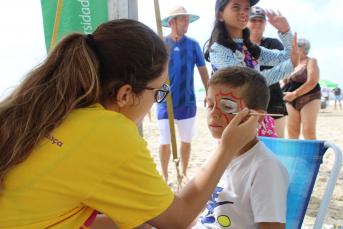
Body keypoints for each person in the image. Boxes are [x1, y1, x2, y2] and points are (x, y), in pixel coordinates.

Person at [0, 19, 259, 229]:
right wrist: (226, 149)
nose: (157, 101)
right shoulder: (107, 132)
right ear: (124, 94)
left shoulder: (48, 109)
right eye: (158, 92)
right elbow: (177, 219)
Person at [189, 66, 289, 229]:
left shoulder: (265, 168)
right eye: (209, 104)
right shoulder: (218, 157)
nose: (213, 113)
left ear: (255, 118)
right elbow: (198, 214)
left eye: (226, 106)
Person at [206, 0, 300, 138]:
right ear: (220, 15)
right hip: (235, 120)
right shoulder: (218, 50)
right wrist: (290, 65)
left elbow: (286, 56)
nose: (244, 12)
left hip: (257, 116)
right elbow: (249, 82)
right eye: (236, 7)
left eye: (247, 8)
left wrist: (285, 32)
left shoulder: (249, 49)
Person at [159, 6, 210, 184]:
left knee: (186, 139)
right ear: (172, 22)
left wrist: (208, 91)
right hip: (163, 98)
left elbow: (203, 70)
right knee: (165, 140)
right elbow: (153, 71)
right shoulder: (161, 44)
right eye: (183, 19)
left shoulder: (193, 44)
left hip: (188, 99)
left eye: (188, 19)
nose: (187, 22)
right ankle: (164, 175)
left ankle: (183, 172)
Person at [247, 6, 288, 138]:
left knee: (278, 145)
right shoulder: (240, 46)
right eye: (253, 20)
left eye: (261, 20)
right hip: (246, 101)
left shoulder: (273, 44)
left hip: (273, 99)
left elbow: (284, 63)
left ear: (265, 24)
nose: (257, 23)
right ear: (246, 22)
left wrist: (285, 31)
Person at [281, 38, 321, 140]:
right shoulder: (289, 63)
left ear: (302, 48)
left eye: (292, 47)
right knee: (292, 133)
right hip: (289, 99)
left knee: (309, 132)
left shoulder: (310, 61)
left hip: (309, 97)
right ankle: (295, 156)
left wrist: (295, 94)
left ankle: (312, 156)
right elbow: (284, 82)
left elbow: (312, 82)